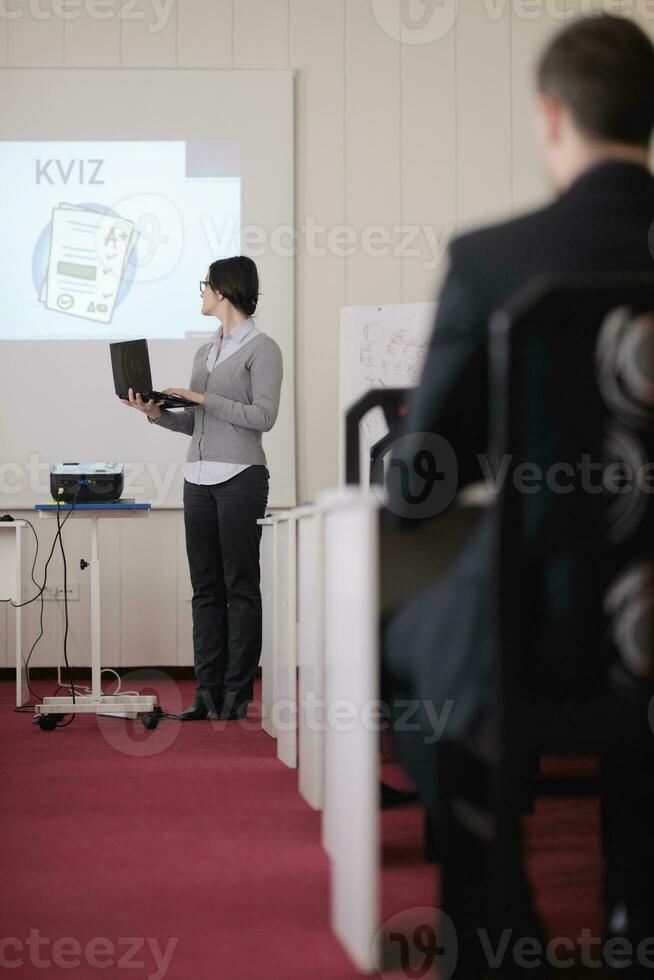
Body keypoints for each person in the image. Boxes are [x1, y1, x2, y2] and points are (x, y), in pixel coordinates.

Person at [381, 12, 654, 959]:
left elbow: (420, 484)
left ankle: (499, 909)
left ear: (549, 116)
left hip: (540, 627)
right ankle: (635, 904)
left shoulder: (493, 261)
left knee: (402, 648)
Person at [122, 256, 283, 722]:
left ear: (225, 290)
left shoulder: (263, 349)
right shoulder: (203, 352)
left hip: (240, 478)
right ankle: (206, 694)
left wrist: (203, 397)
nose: (202, 291)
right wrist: (157, 414)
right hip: (197, 479)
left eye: (205, 285)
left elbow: (264, 417)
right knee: (205, 590)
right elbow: (198, 421)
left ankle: (236, 697)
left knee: (240, 588)